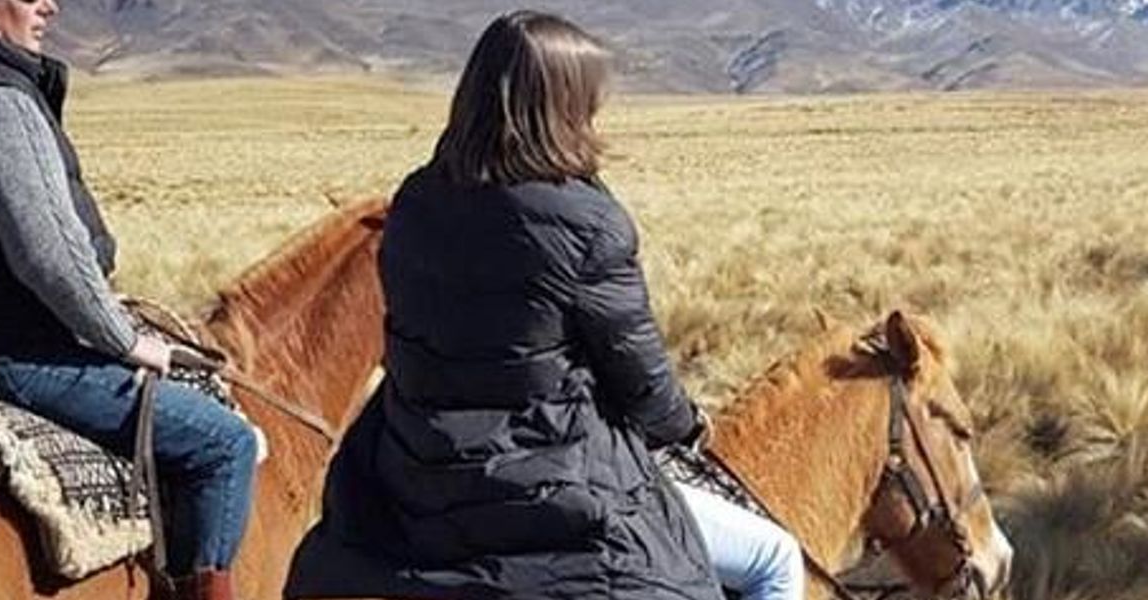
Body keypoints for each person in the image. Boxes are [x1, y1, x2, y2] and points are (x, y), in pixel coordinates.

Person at [283, 12, 790, 600]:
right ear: (564, 107)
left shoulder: (416, 201)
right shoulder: (589, 224)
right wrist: (687, 424)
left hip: (415, 475)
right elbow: (643, 381)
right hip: (556, 492)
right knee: (770, 560)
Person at [0, 2, 257, 599]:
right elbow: (50, 257)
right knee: (220, 442)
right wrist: (126, 339)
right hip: (4, 351)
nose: (50, 3)